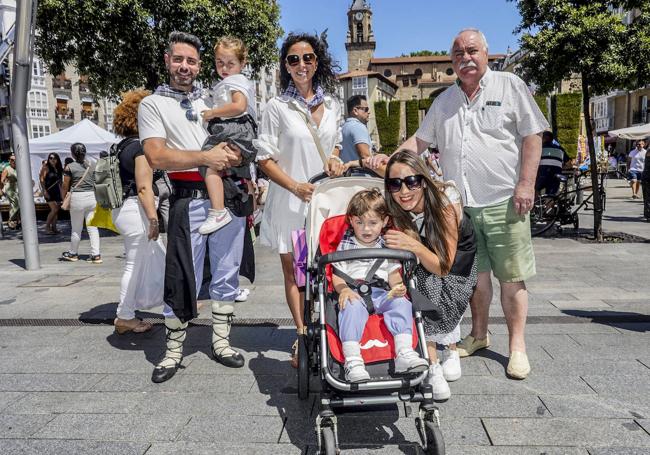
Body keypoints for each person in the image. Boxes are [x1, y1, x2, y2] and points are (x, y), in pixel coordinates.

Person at [369, 28, 548, 380]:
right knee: (475, 278)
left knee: (511, 277)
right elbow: (418, 143)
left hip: (503, 200)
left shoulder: (509, 85)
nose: (465, 57)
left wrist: (526, 183)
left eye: (471, 50)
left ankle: (517, 347)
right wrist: (388, 162)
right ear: (452, 61)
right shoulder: (445, 102)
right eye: (458, 53)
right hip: (460, 209)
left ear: (485, 52)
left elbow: (532, 135)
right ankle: (479, 335)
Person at [139, 31, 247, 383]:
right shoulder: (153, 104)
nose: (185, 66)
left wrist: (235, 156)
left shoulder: (212, 99)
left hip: (227, 194)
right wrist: (205, 155)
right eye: (179, 59)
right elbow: (156, 155)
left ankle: (221, 342)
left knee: (227, 271)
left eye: (192, 61)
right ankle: (173, 351)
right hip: (187, 197)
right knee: (182, 275)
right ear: (167, 60)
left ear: (200, 66)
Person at [255, 32, 345, 368]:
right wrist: (295, 186)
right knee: (296, 274)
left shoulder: (333, 104)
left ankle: (327, 331)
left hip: (325, 204)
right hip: (291, 204)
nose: (301, 64)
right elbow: (263, 158)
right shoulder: (276, 107)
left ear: (317, 61)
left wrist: (335, 158)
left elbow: (334, 145)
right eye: (293, 59)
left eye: (307, 58)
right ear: (285, 66)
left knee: (327, 271)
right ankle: (303, 336)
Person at [332, 189, 428, 383]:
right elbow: (337, 276)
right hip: (355, 292)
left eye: (372, 223)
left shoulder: (388, 245)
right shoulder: (345, 244)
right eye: (359, 222)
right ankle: (353, 360)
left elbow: (393, 275)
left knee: (402, 303)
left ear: (384, 222)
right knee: (349, 307)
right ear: (351, 220)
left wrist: (398, 287)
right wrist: (344, 290)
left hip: (383, 292)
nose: (366, 229)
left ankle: (404, 353)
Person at [198, 35, 258, 235]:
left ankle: (218, 210)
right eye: (219, 63)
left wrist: (212, 113)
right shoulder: (233, 80)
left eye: (230, 63)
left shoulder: (235, 81)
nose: (224, 68)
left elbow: (238, 106)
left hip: (234, 126)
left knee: (208, 161)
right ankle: (251, 205)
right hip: (242, 128)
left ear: (242, 63)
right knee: (236, 167)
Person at [111, 89, 159, 335]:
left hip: (121, 209)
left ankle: (138, 306)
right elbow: (143, 187)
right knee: (133, 264)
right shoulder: (140, 148)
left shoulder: (120, 146)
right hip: (135, 210)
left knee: (140, 262)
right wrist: (153, 218)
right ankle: (125, 316)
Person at [61, 143, 102, 263]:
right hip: (91, 197)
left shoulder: (69, 167)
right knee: (93, 228)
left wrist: (63, 198)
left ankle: (73, 253)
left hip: (77, 198)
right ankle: (96, 255)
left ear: (73, 153)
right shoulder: (92, 164)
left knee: (76, 228)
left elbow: (65, 185)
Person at [340, 95, 373, 164]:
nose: (368, 112)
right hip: (360, 173)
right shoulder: (358, 126)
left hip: (347, 173)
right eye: (366, 109)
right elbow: (366, 157)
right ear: (355, 111)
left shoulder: (343, 127)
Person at [536, 131, 570, 196]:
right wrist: (560, 166)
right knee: (551, 195)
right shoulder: (560, 149)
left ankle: (536, 203)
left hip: (541, 175)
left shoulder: (539, 148)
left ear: (543, 138)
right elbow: (569, 164)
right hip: (555, 176)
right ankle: (549, 205)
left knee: (535, 189)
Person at [40, 153, 63, 234]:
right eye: (51, 158)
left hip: (57, 191)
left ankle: (54, 228)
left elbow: (60, 183)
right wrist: (44, 190)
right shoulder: (46, 167)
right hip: (48, 191)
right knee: (54, 209)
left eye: (54, 158)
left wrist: (62, 194)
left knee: (56, 211)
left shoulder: (58, 168)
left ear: (57, 159)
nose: (52, 160)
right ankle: (47, 227)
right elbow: (42, 179)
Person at [1, 155, 19, 229]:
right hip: (9, 187)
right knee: (15, 202)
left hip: (17, 187)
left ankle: (15, 221)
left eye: (15, 160)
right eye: (12, 160)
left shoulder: (18, 168)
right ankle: (11, 220)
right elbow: (2, 180)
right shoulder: (7, 169)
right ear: (9, 161)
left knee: (17, 204)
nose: (13, 161)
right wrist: (4, 184)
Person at [642, 144, 650, 221]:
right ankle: (648, 215)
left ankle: (647, 214)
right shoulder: (649, 150)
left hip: (647, 176)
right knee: (648, 197)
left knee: (647, 197)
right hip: (648, 177)